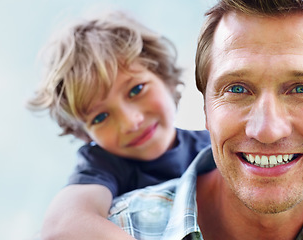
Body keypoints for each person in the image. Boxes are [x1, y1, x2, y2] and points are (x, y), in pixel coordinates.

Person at [107, 0, 303, 239]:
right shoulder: (115, 228)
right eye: (236, 89)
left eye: (302, 89)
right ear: (206, 110)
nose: (267, 131)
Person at [27, 10, 211, 240]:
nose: (130, 122)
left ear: (163, 76)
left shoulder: (212, 146)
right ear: (86, 134)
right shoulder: (103, 165)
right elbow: (61, 225)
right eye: (100, 117)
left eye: (136, 90)